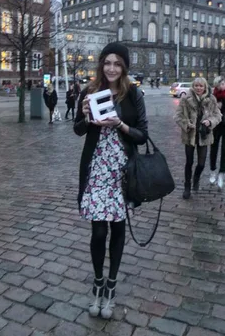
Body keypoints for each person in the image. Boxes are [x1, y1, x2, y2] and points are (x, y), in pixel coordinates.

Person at [74, 42, 148, 319]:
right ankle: (97, 282)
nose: (112, 68)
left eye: (118, 63)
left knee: (117, 229)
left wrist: (119, 124)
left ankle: (111, 286)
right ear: (101, 64)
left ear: (124, 67)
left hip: (122, 172)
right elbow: (78, 131)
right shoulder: (90, 91)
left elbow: (142, 134)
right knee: (98, 232)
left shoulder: (134, 94)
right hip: (96, 170)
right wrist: (84, 117)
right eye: (108, 62)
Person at [174, 77, 222, 200]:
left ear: (205, 87)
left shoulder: (211, 99)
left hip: (204, 135)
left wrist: (209, 121)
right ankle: (187, 186)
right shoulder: (186, 99)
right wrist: (186, 124)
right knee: (189, 162)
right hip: (190, 135)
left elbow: (218, 115)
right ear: (193, 86)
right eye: (196, 86)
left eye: (201, 86)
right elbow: (178, 116)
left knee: (201, 164)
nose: (198, 88)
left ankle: (196, 178)